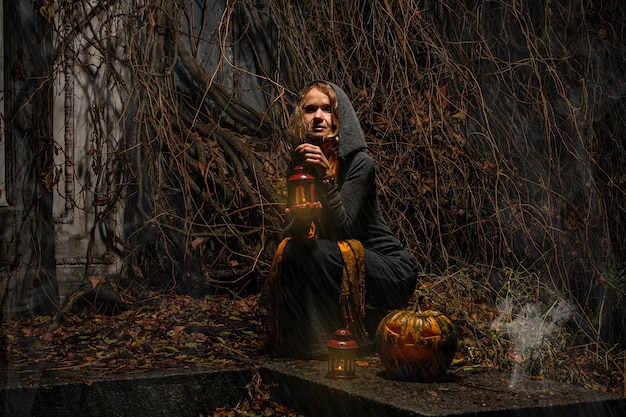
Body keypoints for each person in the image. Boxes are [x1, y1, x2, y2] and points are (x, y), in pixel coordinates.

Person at [262, 81, 418, 359]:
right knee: (293, 250)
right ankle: (305, 348)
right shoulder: (300, 163)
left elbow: (344, 229)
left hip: (389, 269)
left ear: (339, 117)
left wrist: (327, 177)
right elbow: (300, 232)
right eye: (310, 109)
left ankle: (339, 347)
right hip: (340, 257)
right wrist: (298, 219)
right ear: (302, 116)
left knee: (318, 251)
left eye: (327, 109)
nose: (318, 116)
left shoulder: (360, 163)